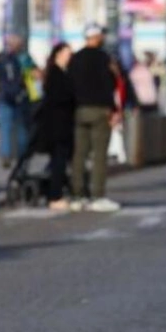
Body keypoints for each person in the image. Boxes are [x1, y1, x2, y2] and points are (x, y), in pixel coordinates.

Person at [68, 24, 121, 213]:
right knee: (99, 155)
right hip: (99, 110)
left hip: (79, 110)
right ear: (97, 37)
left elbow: (70, 84)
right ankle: (97, 195)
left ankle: (77, 195)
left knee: (79, 154)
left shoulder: (75, 58)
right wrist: (114, 110)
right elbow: (110, 84)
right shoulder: (103, 58)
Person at [34, 43, 76, 211]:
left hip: (60, 124)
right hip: (57, 126)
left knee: (59, 161)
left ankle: (56, 192)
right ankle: (54, 195)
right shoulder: (56, 74)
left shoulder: (59, 72)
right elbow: (59, 98)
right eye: (67, 53)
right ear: (58, 54)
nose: (69, 56)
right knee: (58, 161)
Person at [0, 35, 38, 167]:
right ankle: (22, 157)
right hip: (21, 97)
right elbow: (36, 75)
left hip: (4, 97)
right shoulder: (24, 58)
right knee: (21, 129)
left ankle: (6, 156)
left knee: (5, 128)